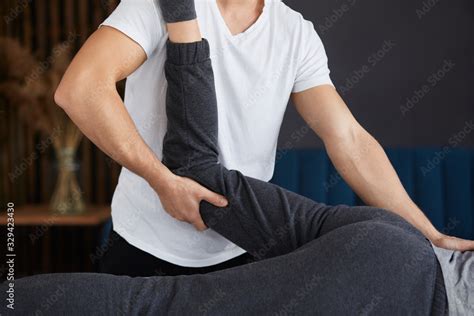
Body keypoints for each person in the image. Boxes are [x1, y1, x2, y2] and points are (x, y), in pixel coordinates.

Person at [0, 6, 449, 314]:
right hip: (145, 250)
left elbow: (347, 137)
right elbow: (79, 89)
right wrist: (160, 180)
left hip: (243, 251)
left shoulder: (294, 32)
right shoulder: (158, 6)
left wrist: (427, 233)